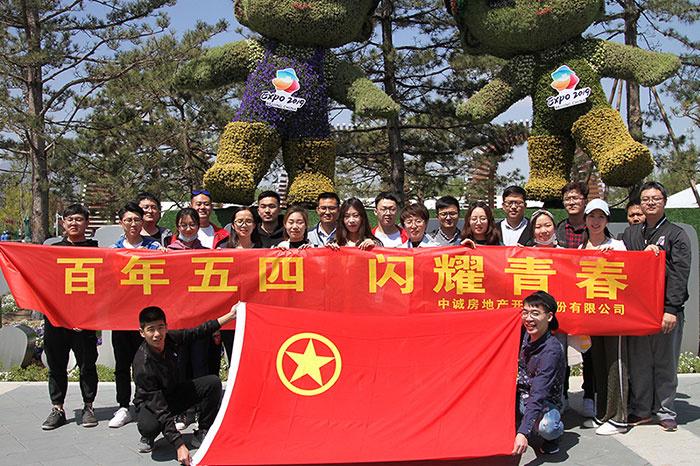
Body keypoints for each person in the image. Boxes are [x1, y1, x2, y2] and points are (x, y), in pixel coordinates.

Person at [622, 181, 691, 432]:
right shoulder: (631, 234)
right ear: (640, 203)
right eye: (646, 199)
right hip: (639, 312)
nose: (650, 203)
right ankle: (641, 410)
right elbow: (622, 263)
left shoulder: (676, 234)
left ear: (664, 202)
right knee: (639, 362)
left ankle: (666, 411)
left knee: (665, 362)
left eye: (656, 199)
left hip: (665, 311)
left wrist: (671, 309)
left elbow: (680, 274)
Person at [133, 303, 239, 465]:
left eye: (160, 328)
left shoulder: (170, 339)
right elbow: (159, 408)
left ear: (166, 327)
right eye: (151, 330)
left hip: (173, 394)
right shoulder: (142, 365)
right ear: (142, 333)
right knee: (149, 426)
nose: (157, 334)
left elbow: (199, 331)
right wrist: (179, 445)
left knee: (212, 383)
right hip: (152, 405)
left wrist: (230, 316)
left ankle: (202, 430)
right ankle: (147, 437)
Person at [41, 204, 99, 430]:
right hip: (57, 319)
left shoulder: (97, 251)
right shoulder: (52, 252)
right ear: (63, 223)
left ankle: (88, 407)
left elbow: (103, 288)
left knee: (87, 365)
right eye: (70, 219)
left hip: (85, 321)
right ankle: (57, 408)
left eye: (79, 219)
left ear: (87, 223)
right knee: (57, 366)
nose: (74, 223)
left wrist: (85, 316)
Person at [108, 202, 164, 428]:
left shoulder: (155, 247)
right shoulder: (113, 250)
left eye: (137, 220)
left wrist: (165, 256)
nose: (133, 224)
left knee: (148, 363)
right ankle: (123, 406)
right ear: (121, 223)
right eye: (128, 220)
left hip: (147, 317)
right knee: (122, 364)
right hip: (121, 316)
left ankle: (145, 403)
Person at [577, 199, 629, 436]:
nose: (595, 221)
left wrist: (615, 257)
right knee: (597, 363)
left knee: (615, 363)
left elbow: (630, 274)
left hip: (615, 316)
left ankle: (619, 418)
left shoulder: (617, 246)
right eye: (591, 216)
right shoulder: (581, 248)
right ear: (585, 220)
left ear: (607, 220)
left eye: (600, 217)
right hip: (591, 316)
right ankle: (603, 414)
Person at [512, 291, 566, 456]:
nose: (528, 318)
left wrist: (524, 433)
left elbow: (539, 392)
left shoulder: (552, 350)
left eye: (535, 314)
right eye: (525, 313)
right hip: (518, 394)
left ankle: (553, 436)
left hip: (543, 400)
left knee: (547, 427)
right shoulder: (523, 333)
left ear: (549, 317)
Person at [556, 182, 588, 249]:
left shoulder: (594, 228)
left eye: (575, 198)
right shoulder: (558, 229)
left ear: (586, 202)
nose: (571, 203)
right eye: (567, 199)